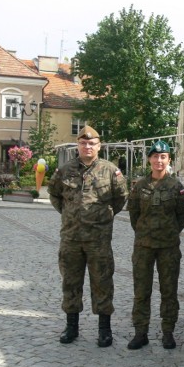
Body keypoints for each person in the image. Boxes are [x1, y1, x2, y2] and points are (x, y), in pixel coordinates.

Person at [47, 126, 128, 347]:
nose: (87, 146)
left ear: (99, 146)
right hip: (71, 238)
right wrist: (70, 215)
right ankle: (71, 327)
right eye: (83, 143)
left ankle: (104, 329)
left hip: (98, 240)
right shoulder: (65, 170)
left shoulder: (110, 171)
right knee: (70, 282)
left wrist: (101, 218)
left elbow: (120, 199)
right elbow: (54, 195)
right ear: (78, 145)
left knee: (102, 282)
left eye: (92, 143)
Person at [126, 140, 184, 350]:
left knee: (169, 290)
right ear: (149, 160)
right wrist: (145, 232)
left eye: (163, 157)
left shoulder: (176, 186)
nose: (158, 161)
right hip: (144, 246)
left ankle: (168, 331)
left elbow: (182, 217)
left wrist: (169, 232)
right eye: (155, 157)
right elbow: (134, 215)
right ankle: (140, 332)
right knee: (141, 290)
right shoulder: (140, 186)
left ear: (168, 160)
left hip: (168, 247)